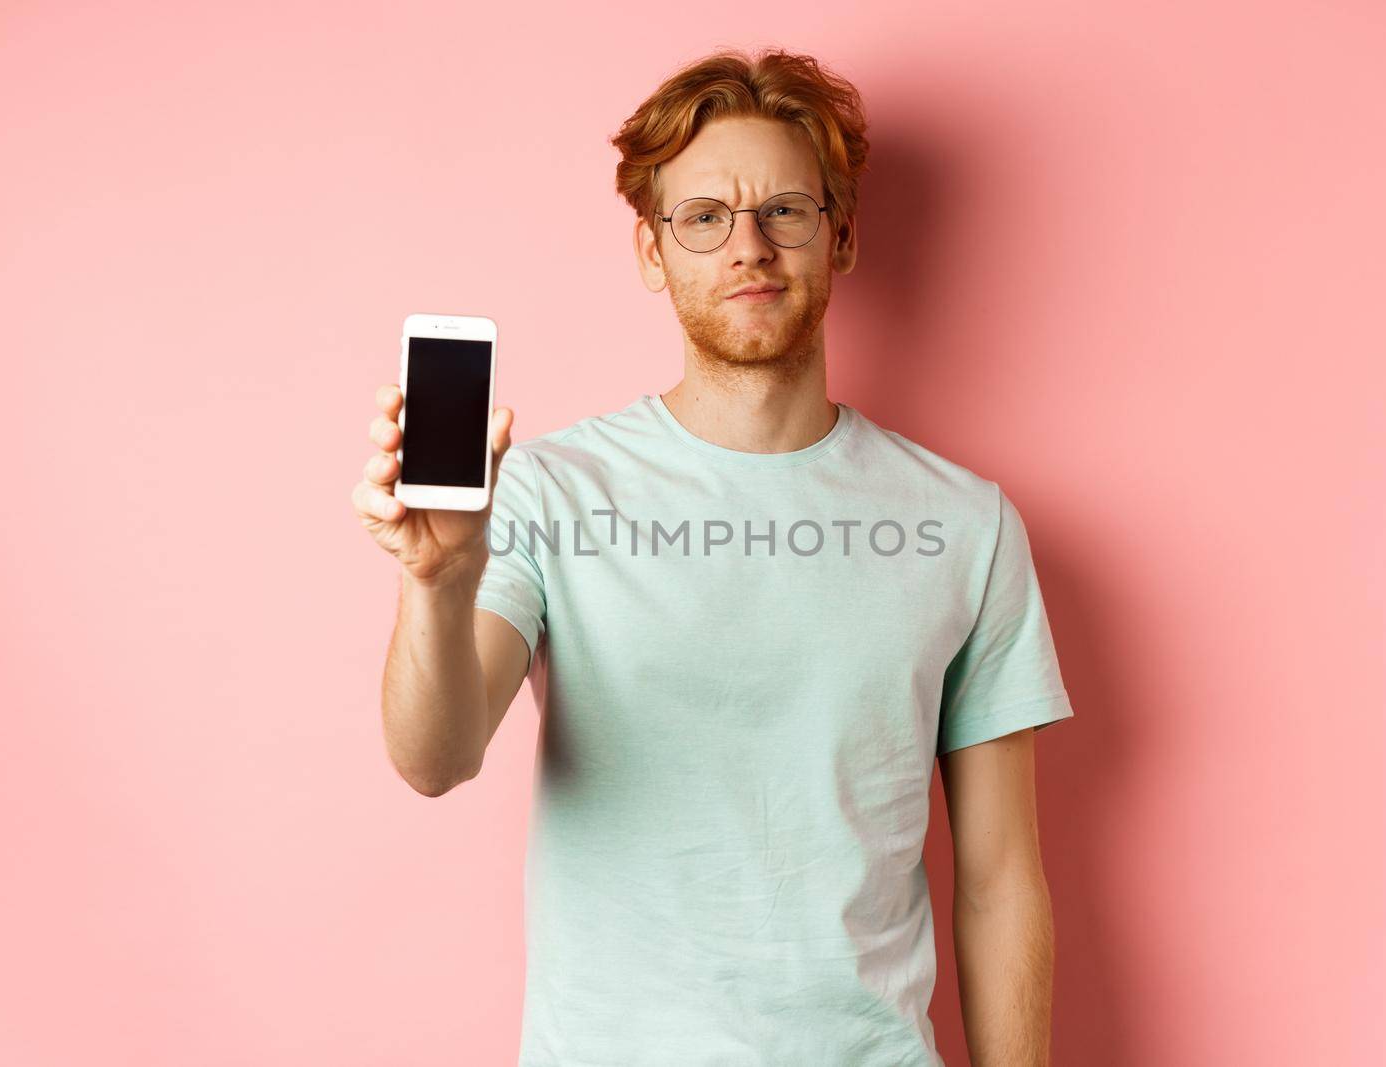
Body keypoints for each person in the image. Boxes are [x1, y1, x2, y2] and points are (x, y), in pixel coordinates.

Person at [353, 47, 1075, 1067]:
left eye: (784, 210)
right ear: (654, 252)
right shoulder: (550, 491)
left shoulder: (966, 522)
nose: (749, 247)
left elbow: (1001, 877)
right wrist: (435, 581)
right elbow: (434, 757)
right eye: (703, 217)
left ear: (843, 236)